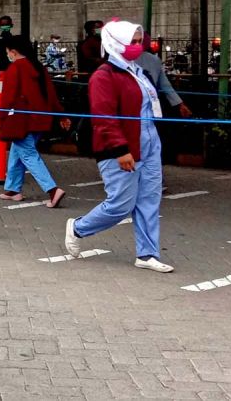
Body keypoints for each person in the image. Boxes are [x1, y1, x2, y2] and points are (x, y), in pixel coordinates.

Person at [64, 20, 172, 273]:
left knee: (149, 200)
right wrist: (120, 149)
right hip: (121, 148)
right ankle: (78, 228)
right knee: (120, 205)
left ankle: (147, 254)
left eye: (138, 42)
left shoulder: (138, 71)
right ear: (116, 43)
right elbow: (104, 118)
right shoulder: (104, 76)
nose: (137, 46)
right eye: (131, 42)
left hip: (150, 144)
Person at [0, 35, 70, 207]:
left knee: (28, 154)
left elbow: (7, 99)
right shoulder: (39, 68)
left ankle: (52, 190)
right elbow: (52, 95)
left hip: (22, 121)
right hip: (41, 119)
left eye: (8, 52)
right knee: (18, 151)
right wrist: (62, 115)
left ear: (13, 53)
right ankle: (13, 189)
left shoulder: (14, 69)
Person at [137, 33, 192, 118]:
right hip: (151, 103)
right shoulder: (155, 60)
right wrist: (180, 104)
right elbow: (166, 86)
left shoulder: (123, 59)